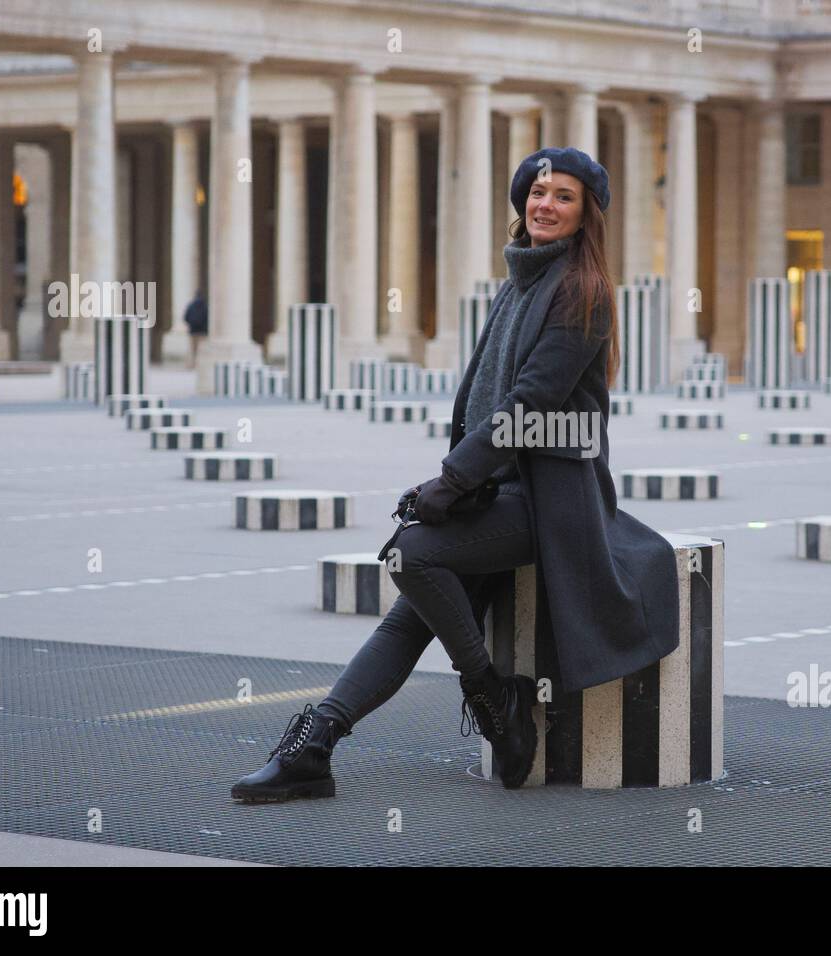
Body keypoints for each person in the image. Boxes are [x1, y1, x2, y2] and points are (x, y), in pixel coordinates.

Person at [231, 146, 681, 803]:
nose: (545, 204)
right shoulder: (521, 281)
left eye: (563, 197)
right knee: (408, 618)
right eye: (537, 191)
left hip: (552, 502)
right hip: (499, 491)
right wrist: (454, 481)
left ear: (587, 217)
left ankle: (494, 697)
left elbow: (527, 407)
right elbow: (486, 400)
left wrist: (453, 481)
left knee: (413, 555)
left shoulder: (583, 294)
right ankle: (316, 745)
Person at [183, 291, 207, 369]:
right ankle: (200, 365)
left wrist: (191, 324)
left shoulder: (191, 305)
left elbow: (185, 317)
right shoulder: (205, 306)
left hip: (193, 331)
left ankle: (192, 364)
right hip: (202, 332)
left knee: (193, 349)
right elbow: (207, 318)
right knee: (201, 349)